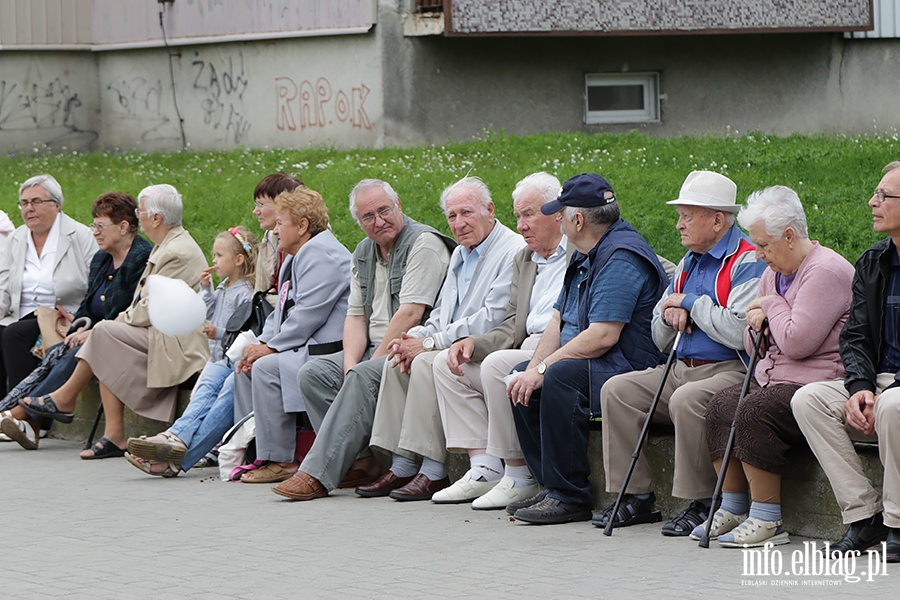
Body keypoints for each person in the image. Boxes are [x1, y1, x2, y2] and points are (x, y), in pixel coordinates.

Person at [595, 170, 766, 536]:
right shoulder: (688, 261)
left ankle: (705, 502)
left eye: (687, 215)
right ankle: (636, 497)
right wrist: (671, 315)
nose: (678, 225)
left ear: (717, 219)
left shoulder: (747, 260)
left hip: (729, 370)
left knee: (687, 400)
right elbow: (658, 331)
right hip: (678, 366)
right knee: (617, 390)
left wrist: (691, 304)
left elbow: (739, 331)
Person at [271, 178, 453, 501]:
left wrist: (365, 367)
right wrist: (349, 364)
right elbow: (355, 317)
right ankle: (360, 462)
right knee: (312, 374)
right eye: (367, 217)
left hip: (410, 347)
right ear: (359, 221)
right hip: (373, 348)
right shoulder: (363, 252)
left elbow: (410, 315)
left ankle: (315, 473)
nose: (378, 221)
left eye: (384, 210)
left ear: (399, 206)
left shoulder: (423, 243)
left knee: (362, 374)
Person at [692, 186, 853, 548]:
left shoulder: (825, 271)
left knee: (754, 410)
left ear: (790, 236)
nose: (760, 255)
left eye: (764, 246)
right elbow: (759, 346)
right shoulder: (774, 274)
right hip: (773, 377)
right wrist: (756, 325)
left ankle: (767, 519)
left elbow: (797, 341)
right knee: (721, 405)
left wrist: (771, 306)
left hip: (816, 384)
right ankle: (731, 507)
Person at [503, 173, 669, 524]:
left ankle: (570, 494)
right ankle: (551, 486)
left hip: (630, 365)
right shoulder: (585, 253)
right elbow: (557, 321)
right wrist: (534, 368)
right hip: (601, 360)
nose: (558, 220)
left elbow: (603, 336)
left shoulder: (621, 256)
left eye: (560, 214)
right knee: (521, 378)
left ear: (577, 220)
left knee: (560, 376)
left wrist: (545, 370)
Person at [122, 173, 302, 476]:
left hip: (280, 345)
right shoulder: (273, 243)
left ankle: (175, 459)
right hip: (256, 342)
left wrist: (264, 347)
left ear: (287, 207)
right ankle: (174, 437)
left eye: (263, 205)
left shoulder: (303, 250)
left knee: (233, 381)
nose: (256, 211)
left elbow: (294, 315)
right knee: (212, 378)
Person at [363, 176, 525, 502]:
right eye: (452, 216)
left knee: (427, 362)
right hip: (453, 342)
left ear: (490, 210)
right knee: (399, 359)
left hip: (486, 344)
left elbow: (489, 318)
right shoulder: (461, 253)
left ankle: (433, 470)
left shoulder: (510, 250)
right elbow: (440, 312)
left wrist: (428, 343)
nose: (459, 223)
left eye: (467, 213)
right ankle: (402, 462)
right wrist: (416, 336)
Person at [20, 184, 209, 459]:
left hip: (178, 342)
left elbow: (150, 308)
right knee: (105, 338)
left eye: (140, 212)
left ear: (156, 218)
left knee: (106, 333)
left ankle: (66, 400)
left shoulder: (174, 251)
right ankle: (112, 435)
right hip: (162, 332)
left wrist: (113, 323)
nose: (137, 216)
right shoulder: (166, 246)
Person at [431, 172, 567, 509]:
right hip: (524, 345)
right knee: (446, 363)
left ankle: (519, 474)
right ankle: (484, 468)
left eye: (529, 214)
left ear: (558, 213)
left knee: (496, 365)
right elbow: (509, 324)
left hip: (559, 347)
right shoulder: (525, 258)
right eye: (518, 215)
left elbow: (651, 264)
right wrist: (473, 343)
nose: (521, 226)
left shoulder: (578, 253)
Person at [792, 161, 900, 561]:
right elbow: (855, 336)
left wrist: (883, 392)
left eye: (884, 196)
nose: (873, 202)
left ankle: (897, 522)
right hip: (878, 384)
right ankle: (864, 516)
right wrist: (859, 388)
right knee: (809, 399)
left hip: (896, 394)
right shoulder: (873, 262)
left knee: (894, 404)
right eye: (876, 193)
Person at [0, 192, 152, 448]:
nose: (95, 232)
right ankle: (29, 421)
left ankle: (20, 413)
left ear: (124, 227)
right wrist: (78, 326)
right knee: (59, 348)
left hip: (121, 337)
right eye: (94, 226)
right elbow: (87, 305)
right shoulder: (102, 258)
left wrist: (92, 331)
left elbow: (130, 310)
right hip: (95, 334)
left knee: (80, 351)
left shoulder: (141, 257)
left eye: (100, 226)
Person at [231, 187, 352, 483]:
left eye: (281, 223)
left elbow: (307, 315)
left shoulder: (322, 254)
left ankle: (281, 461)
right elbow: (283, 309)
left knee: (266, 368)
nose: (275, 228)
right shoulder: (299, 254)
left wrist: (271, 349)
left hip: (326, 349)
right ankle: (253, 450)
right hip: (305, 343)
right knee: (244, 367)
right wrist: (261, 342)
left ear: (302, 226)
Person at [125, 226, 257, 477]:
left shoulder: (247, 294)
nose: (214, 261)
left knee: (218, 399)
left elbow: (242, 330)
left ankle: (173, 453)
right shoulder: (223, 287)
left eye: (219, 256)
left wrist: (217, 333)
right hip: (219, 358)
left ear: (239, 260)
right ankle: (174, 437)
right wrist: (206, 289)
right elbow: (205, 311)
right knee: (204, 393)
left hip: (235, 357)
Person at [0, 175, 97, 396]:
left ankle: (23, 416)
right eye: (24, 203)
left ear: (57, 204)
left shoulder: (79, 235)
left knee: (14, 335)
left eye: (36, 202)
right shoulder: (17, 238)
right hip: (19, 313)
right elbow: (3, 287)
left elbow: (95, 282)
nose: (29, 209)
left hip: (61, 316)